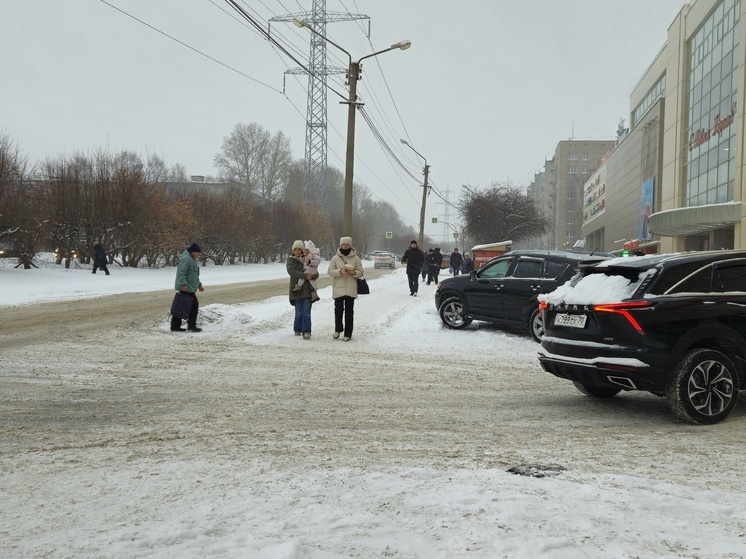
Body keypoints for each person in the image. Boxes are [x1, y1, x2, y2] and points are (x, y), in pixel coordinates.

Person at [327, 236, 363, 341]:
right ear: (340, 245)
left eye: (347, 244)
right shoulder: (335, 258)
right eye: (343, 244)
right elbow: (330, 271)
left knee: (349, 312)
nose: (345, 246)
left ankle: (348, 333)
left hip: (351, 289)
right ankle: (338, 329)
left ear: (350, 246)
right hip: (338, 288)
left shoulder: (356, 258)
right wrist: (340, 272)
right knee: (338, 310)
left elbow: (361, 273)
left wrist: (353, 272)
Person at [287, 239, 318, 339]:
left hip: (308, 290)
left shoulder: (308, 259)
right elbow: (291, 271)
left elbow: (315, 273)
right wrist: (304, 275)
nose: (297, 251)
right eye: (295, 249)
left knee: (306, 312)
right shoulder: (291, 260)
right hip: (296, 289)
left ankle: (306, 331)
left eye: (299, 249)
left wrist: (312, 277)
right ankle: (297, 329)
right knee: (298, 312)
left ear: (302, 250)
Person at [171, 243, 204, 332]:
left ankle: (175, 326)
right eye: (198, 253)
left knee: (181, 306)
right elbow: (181, 272)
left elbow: (193, 276)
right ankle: (190, 326)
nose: (199, 255)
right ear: (193, 252)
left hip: (189, 287)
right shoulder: (186, 259)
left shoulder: (191, 259)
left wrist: (199, 285)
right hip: (186, 288)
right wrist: (183, 284)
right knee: (191, 306)